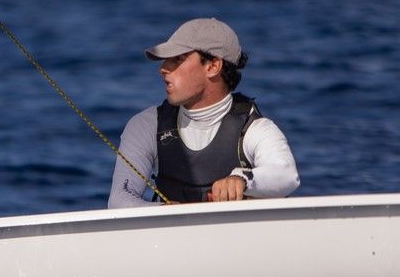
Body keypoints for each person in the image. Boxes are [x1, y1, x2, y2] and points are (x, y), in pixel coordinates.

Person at [108, 17, 299, 208]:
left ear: (213, 66)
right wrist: (164, 211)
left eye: (178, 59)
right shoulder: (146, 125)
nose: (163, 69)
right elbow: (119, 199)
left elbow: (287, 175)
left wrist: (241, 180)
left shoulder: (255, 128)